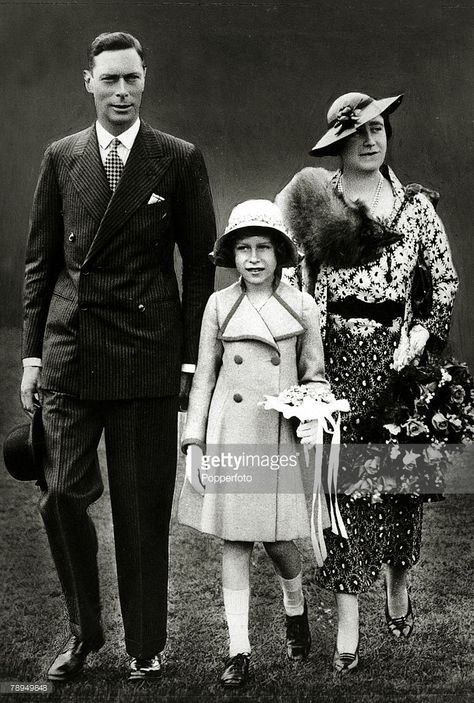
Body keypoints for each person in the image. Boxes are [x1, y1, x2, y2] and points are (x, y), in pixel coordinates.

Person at [20, 32, 216, 682]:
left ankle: (145, 645)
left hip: (146, 360)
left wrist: (189, 362)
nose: (122, 91)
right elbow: (41, 264)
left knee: (140, 513)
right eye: (110, 80)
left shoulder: (178, 160)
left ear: (144, 80)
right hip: (69, 358)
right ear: (89, 82)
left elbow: (200, 270)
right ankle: (84, 632)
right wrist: (29, 359)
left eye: (132, 78)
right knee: (59, 497)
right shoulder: (61, 158)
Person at [275, 92, 458, 672]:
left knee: (400, 486)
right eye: (358, 133)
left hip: (402, 365)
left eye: (378, 129)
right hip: (332, 362)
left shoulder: (415, 207)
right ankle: (349, 620)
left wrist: (422, 336)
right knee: (343, 491)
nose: (371, 140)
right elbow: (289, 279)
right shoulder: (312, 204)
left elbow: (444, 280)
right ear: (338, 143)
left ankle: (399, 584)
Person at [177, 200, 332, 687]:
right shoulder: (219, 305)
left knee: (281, 542)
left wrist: (313, 409)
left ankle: (295, 605)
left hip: (279, 437)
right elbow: (204, 379)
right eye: (243, 248)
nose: (254, 258)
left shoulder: (302, 305)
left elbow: (316, 376)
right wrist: (195, 444)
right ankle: (238, 649)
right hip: (231, 433)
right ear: (232, 255)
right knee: (236, 540)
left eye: (263, 247)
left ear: (280, 252)